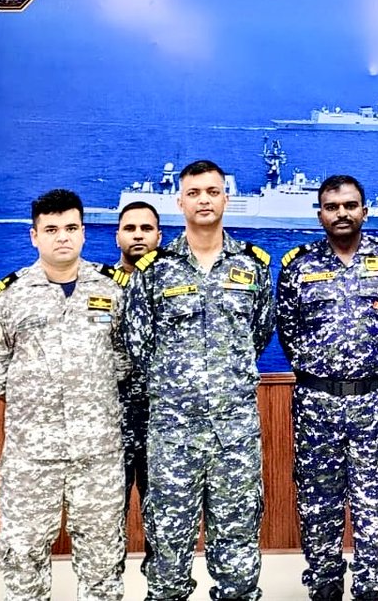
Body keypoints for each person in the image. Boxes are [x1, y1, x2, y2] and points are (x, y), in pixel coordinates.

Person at [123, 161, 274, 601]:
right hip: (173, 434)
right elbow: (138, 342)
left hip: (234, 433)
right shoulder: (155, 270)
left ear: (226, 197)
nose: (204, 200)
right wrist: (179, 386)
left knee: (239, 550)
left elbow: (258, 334)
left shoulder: (253, 265)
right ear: (180, 201)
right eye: (194, 193)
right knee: (168, 553)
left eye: (212, 191)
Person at [0, 188, 130, 601]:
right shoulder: (8, 295)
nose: (63, 237)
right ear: (34, 236)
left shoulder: (116, 291)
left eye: (72, 228)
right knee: (22, 553)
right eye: (52, 229)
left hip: (97, 451)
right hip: (30, 453)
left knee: (102, 557)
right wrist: (34, 397)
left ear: (83, 233)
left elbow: (129, 358)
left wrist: (87, 390)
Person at [277, 175, 378, 601]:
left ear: (365, 211)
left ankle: (373, 589)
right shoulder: (297, 266)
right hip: (317, 403)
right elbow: (288, 331)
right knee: (319, 509)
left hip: (377, 403)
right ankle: (324, 587)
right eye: (332, 206)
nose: (342, 213)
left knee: (376, 510)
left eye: (350, 205)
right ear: (320, 213)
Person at [113, 200, 162, 575]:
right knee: (105, 522)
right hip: (109, 422)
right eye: (131, 229)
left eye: (146, 229)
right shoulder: (97, 286)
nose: (138, 235)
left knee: (163, 522)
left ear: (159, 235)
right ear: (118, 236)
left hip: (164, 420)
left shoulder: (176, 282)